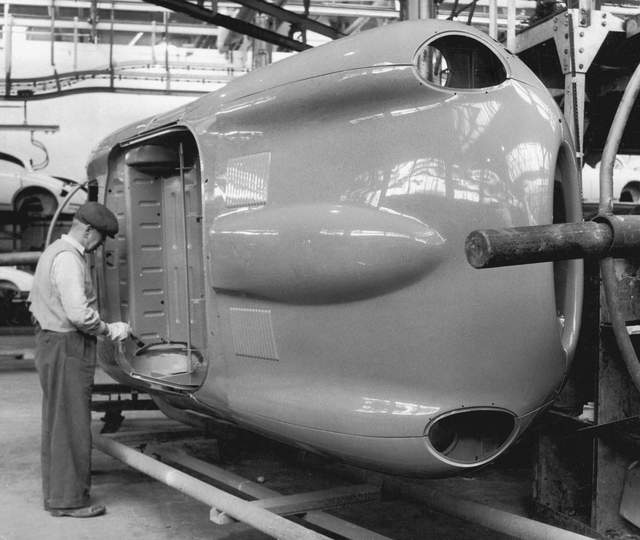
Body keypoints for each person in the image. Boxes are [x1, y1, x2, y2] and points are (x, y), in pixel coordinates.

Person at [29, 202, 131, 518]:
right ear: (88, 230)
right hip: (67, 346)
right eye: (101, 238)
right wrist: (111, 330)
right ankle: (69, 501)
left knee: (58, 423)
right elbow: (79, 314)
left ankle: (59, 496)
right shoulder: (69, 260)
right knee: (71, 425)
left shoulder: (53, 251)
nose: (101, 246)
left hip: (52, 342)